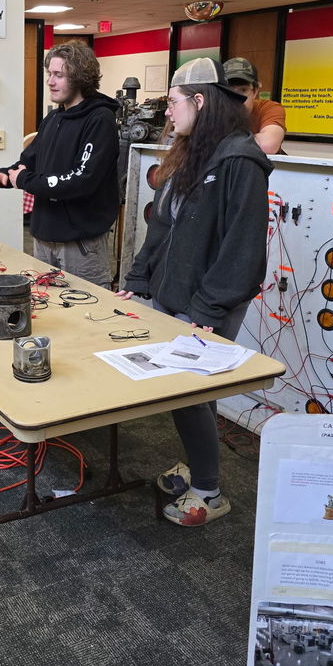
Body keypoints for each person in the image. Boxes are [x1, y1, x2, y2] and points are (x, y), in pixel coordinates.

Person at [117, 57, 272, 526]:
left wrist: (206, 309)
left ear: (199, 102)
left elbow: (242, 250)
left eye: (174, 103)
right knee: (185, 394)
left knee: (189, 393)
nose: (167, 113)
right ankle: (199, 465)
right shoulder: (190, 153)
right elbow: (160, 226)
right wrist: (138, 282)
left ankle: (209, 491)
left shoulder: (240, 160)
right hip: (174, 293)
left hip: (210, 298)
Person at [0, 40, 119, 288]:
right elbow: (31, 160)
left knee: (87, 314)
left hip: (80, 244)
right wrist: (6, 174)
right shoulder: (54, 117)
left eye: (59, 75)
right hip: (44, 238)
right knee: (48, 311)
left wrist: (24, 180)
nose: (50, 81)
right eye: (50, 74)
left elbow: (82, 181)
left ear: (80, 78)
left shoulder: (100, 119)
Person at [223, 57, 286, 154]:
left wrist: (218, 143)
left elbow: (268, 145)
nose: (236, 98)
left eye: (243, 90)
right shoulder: (214, 112)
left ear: (255, 91)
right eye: (229, 91)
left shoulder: (268, 108)